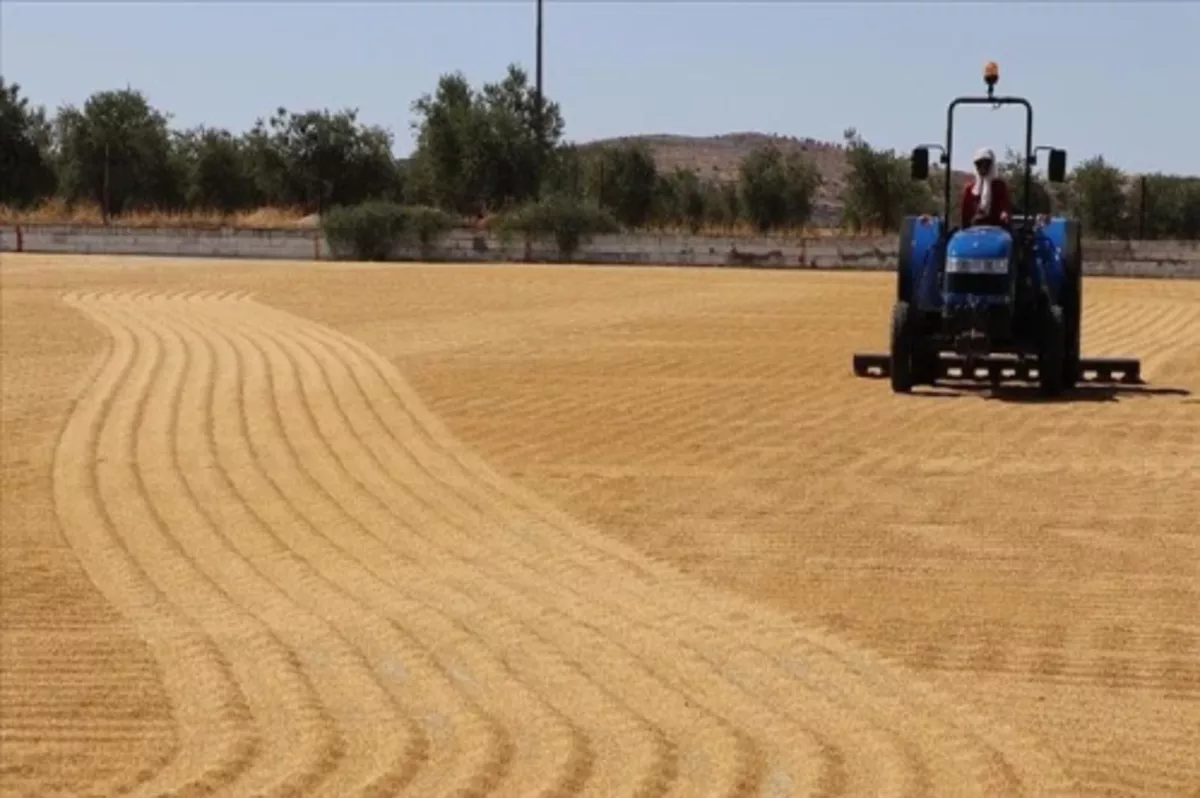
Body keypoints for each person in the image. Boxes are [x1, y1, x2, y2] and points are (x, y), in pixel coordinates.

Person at [960, 147, 1011, 228]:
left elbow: (1004, 206)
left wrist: (1004, 214)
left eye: (986, 164)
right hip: (974, 230)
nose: (982, 168)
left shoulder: (999, 186)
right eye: (979, 164)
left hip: (996, 229)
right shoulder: (970, 189)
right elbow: (965, 215)